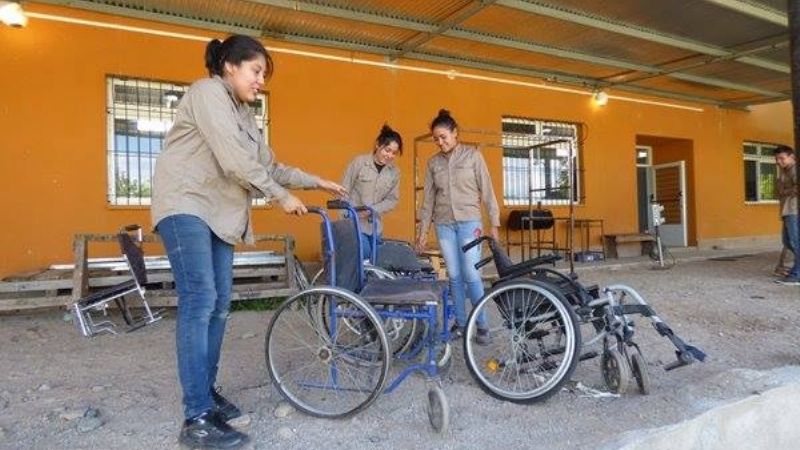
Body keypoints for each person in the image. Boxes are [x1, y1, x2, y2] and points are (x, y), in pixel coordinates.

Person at [151, 35, 347, 449]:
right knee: (201, 299)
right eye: (256, 71)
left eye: (262, 74)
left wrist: (313, 181)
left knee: (220, 306)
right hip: (185, 204)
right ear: (230, 66)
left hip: (218, 215)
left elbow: (268, 165)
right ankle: (196, 418)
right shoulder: (207, 93)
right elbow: (235, 160)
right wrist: (281, 196)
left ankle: (206, 395)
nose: (260, 81)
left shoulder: (243, 114)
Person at [415, 109, 500, 344]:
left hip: (469, 222)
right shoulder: (433, 163)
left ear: (455, 133)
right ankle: (461, 325)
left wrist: (494, 222)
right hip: (444, 225)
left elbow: (488, 190)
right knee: (453, 275)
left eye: (443, 136)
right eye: (436, 139)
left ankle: (481, 325)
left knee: (472, 274)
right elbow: (428, 200)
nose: (440, 142)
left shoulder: (473, 156)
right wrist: (422, 232)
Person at [341, 124, 402, 261]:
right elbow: (343, 190)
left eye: (394, 153)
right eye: (387, 150)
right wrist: (347, 217)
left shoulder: (394, 173)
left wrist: (371, 210)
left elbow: (392, 200)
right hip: (354, 224)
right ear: (377, 145)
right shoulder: (359, 163)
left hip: (375, 227)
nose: (390, 155)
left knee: (375, 264)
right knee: (362, 259)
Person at [774, 145, 799, 286]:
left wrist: (784, 191)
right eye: (776, 159)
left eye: (782, 158)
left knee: (796, 242)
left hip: (794, 210)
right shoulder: (784, 171)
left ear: (792, 157)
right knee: (787, 241)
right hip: (787, 210)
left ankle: (797, 274)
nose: (778, 161)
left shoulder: (795, 169)